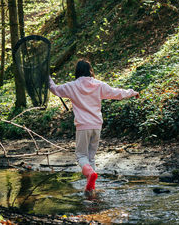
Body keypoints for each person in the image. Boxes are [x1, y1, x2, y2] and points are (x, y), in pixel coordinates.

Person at [49, 59, 139, 193]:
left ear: (77, 71)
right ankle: (90, 187)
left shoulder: (72, 86)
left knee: (81, 155)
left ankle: (89, 174)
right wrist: (132, 92)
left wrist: (47, 77)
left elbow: (55, 89)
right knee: (91, 156)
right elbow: (117, 93)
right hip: (97, 125)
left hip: (83, 126)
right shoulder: (99, 85)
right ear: (90, 70)